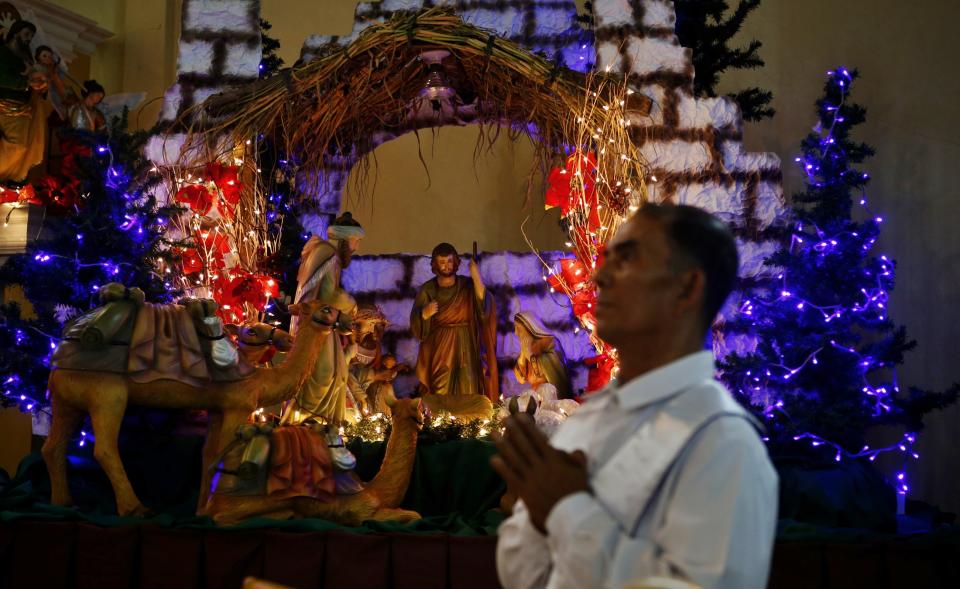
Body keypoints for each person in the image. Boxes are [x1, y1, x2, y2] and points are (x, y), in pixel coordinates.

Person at [493, 204, 778, 589]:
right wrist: (543, 511)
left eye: (626, 259)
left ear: (687, 287)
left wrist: (569, 511)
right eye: (606, 258)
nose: (599, 276)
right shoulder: (590, 418)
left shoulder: (724, 444)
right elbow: (523, 574)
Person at [282, 212, 364, 426]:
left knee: (335, 371)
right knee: (324, 372)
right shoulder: (328, 254)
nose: (357, 248)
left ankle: (325, 422)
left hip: (326, 322)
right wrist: (352, 304)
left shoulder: (329, 255)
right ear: (345, 240)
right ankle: (309, 420)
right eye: (356, 241)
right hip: (317, 324)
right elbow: (328, 294)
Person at [410, 242, 497, 400]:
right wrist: (424, 313)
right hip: (441, 344)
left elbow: (485, 305)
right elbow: (415, 323)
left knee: (469, 384)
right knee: (440, 385)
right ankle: (441, 422)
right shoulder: (428, 290)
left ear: (455, 262)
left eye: (449, 261)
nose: (446, 266)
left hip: (466, 342)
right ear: (435, 264)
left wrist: (476, 276)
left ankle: (471, 422)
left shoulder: (466, 285)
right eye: (442, 262)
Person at [513, 311, 572, 400]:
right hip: (536, 396)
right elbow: (521, 379)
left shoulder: (550, 341)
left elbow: (553, 367)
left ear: (528, 326)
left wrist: (530, 356)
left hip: (551, 395)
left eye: (518, 328)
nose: (516, 332)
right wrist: (522, 357)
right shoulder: (526, 347)